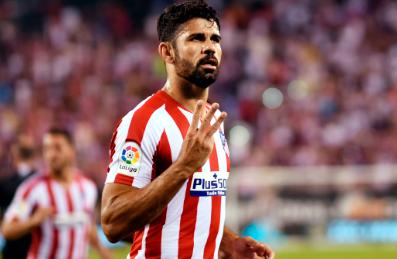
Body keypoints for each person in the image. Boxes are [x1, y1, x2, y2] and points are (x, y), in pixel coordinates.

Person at [101, 1, 275, 258]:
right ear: (168, 52)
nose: (209, 48)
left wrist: (227, 243)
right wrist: (183, 167)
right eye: (196, 38)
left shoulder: (212, 119)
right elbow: (113, 222)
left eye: (215, 39)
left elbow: (186, 211)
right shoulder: (144, 122)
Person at [1, 128, 112, 259]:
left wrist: (103, 251)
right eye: (47, 149)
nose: (51, 154)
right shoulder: (32, 188)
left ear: (72, 151)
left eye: (57, 148)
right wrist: (33, 221)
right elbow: (7, 230)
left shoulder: (88, 188)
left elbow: (88, 225)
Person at [0, 135, 37, 259]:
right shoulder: (41, 183)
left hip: (13, 244)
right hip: (33, 244)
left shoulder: (6, 183)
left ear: (15, 154)